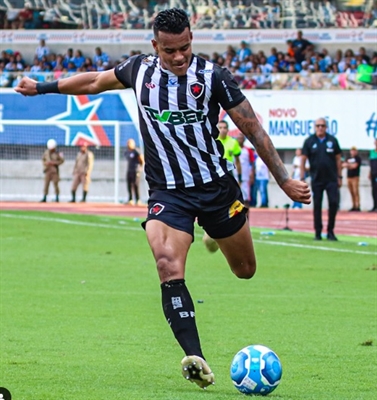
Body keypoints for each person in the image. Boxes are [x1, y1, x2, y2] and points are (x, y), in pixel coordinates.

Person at [15, 8, 311, 390]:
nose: (178, 57)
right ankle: (196, 358)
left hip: (216, 187)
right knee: (167, 264)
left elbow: (251, 128)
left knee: (245, 270)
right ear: (155, 46)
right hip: (167, 192)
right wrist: (42, 87)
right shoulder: (139, 71)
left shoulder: (213, 77)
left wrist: (284, 179)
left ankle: (214, 234)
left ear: (192, 40)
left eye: (185, 48)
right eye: (170, 50)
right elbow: (93, 82)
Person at [301, 118, 342, 241]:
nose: (320, 128)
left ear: (326, 127)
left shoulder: (332, 141)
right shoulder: (309, 141)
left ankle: (330, 231)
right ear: (315, 127)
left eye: (322, 126)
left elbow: (338, 159)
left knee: (333, 204)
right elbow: (303, 159)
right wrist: (302, 177)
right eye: (318, 125)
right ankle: (318, 232)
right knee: (317, 205)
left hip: (331, 179)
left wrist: (340, 176)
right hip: (317, 179)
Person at [216, 120, 242, 184]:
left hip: (228, 171)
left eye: (225, 128)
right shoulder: (213, 141)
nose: (222, 130)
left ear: (228, 130)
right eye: (220, 127)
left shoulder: (233, 142)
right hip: (216, 171)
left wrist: (239, 177)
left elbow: (237, 161)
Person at [41, 138, 64, 203]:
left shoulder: (58, 153)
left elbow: (62, 160)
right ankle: (44, 197)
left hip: (54, 171)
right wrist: (46, 163)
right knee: (46, 184)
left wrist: (54, 163)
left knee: (55, 184)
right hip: (47, 170)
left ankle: (57, 197)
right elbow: (43, 160)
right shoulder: (46, 152)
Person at [236, 132, 255, 207]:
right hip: (235, 177)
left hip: (245, 178)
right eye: (239, 138)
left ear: (244, 139)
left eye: (242, 138)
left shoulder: (248, 150)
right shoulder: (234, 148)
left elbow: (252, 163)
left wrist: (252, 174)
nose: (240, 139)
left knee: (246, 199)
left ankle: (247, 217)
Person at [124, 138, 144, 205]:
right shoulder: (127, 152)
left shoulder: (136, 151)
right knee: (129, 185)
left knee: (136, 185)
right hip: (129, 170)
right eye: (128, 143)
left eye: (130, 143)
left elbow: (141, 159)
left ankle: (138, 200)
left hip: (136, 170)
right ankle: (130, 199)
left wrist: (140, 168)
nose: (128, 144)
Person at [342, 146, 362, 211]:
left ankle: (357, 205)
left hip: (355, 177)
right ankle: (353, 205)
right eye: (352, 151)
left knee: (356, 191)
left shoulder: (358, 158)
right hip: (349, 177)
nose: (353, 152)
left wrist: (348, 165)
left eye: (354, 151)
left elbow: (355, 166)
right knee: (351, 192)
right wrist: (350, 165)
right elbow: (343, 165)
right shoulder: (348, 158)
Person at [368, 138, 377, 212]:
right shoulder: (372, 152)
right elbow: (371, 164)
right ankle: (374, 205)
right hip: (373, 174)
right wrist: (370, 172)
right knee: (374, 190)